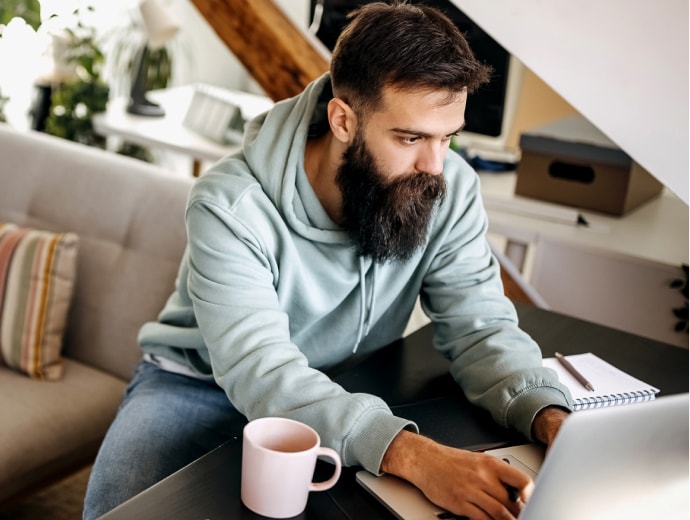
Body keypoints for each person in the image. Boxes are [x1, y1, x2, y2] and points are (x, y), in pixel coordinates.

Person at [83, 2, 573, 519]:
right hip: (197, 384)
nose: (435, 166)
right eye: (410, 138)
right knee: (116, 512)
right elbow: (261, 369)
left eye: (447, 136)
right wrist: (415, 457)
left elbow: (481, 329)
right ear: (343, 120)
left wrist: (550, 416)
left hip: (347, 382)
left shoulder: (446, 187)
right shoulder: (229, 205)